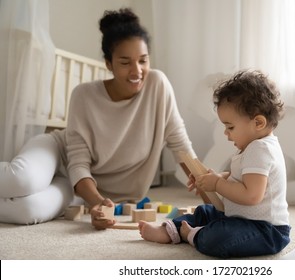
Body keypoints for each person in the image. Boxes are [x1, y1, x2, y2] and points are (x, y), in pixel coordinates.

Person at [0, 8, 199, 228]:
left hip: (80, 188)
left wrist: (211, 187)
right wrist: (99, 203)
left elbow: (181, 146)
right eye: (125, 62)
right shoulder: (83, 94)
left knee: (27, 211)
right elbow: (78, 161)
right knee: (21, 181)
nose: (137, 71)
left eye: (143, 60)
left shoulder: (158, 85)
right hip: (59, 155)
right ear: (108, 63)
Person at [139, 69, 291, 258]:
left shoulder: (260, 150)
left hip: (266, 230)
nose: (226, 133)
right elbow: (241, 178)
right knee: (205, 212)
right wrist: (217, 177)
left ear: (258, 122)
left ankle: (193, 235)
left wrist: (218, 184)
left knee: (220, 238)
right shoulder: (253, 147)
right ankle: (171, 229)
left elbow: (251, 195)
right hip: (240, 217)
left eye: (230, 127)